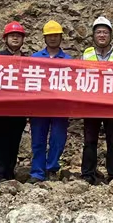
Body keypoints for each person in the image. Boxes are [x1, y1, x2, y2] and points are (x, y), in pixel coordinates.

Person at [81, 16, 113, 184]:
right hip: (91, 105)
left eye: (105, 32)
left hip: (112, 105)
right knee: (89, 141)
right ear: (93, 35)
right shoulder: (86, 54)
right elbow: (80, 78)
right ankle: (88, 174)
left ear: (110, 35)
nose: (102, 35)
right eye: (98, 32)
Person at [29, 20, 73, 182]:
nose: (53, 38)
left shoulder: (68, 60)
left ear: (61, 37)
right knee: (38, 140)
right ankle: (37, 172)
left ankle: (52, 168)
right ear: (44, 38)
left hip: (60, 107)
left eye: (56, 35)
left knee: (58, 139)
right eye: (49, 36)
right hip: (39, 106)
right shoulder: (35, 58)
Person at [0, 21, 28, 181]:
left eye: (18, 36)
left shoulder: (28, 60)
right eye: (12, 35)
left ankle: (9, 171)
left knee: (14, 139)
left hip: (19, 107)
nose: (15, 38)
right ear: (5, 38)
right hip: (1, 106)